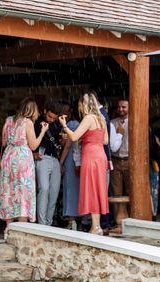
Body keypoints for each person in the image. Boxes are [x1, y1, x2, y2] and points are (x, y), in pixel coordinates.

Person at [59, 93, 109, 235]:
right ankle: (97, 225)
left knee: (92, 189)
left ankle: (96, 226)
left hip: (91, 156)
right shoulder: (101, 119)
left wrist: (64, 126)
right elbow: (105, 141)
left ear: (84, 105)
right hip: (100, 155)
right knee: (98, 189)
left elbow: (74, 136)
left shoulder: (88, 118)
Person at [0, 98, 47, 224]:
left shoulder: (8, 120)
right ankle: (21, 226)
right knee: (23, 190)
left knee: (8, 191)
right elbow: (34, 145)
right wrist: (42, 132)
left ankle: (8, 228)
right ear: (32, 111)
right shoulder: (27, 122)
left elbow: (3, 142)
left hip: (8, 157)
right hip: (22, 158)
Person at [34, 102, 62, 226]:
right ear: (45, 110)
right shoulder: (36, 123)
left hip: (55, 159)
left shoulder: (57, 124)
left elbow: (58, 144)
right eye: (50, 117)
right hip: (42, 157)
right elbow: (30, 140)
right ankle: (42, 223)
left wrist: (62, 140)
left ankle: (49, 223)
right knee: (44, 189)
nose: (51, 120)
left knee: (54, 191)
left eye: (54, 118)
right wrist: (33, 152)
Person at [59, 102, 81, 230]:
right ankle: (81, 218)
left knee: (70, 188)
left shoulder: (71, 125)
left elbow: (67, 145)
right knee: (78, 188)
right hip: (79, 159)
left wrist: (60, 162)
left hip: (71, 159)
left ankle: (71, 219)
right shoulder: (80, 124)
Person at [110, 99, 130, 198]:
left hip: (129, 161)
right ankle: (118, 214)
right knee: (116, 193)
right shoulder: (112, 123)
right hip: (115, 161)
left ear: (129, 108)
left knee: (130, 191)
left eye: (124, 107)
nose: (120, 109)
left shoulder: (134, 122)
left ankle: (131, 213)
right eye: (119, 107)